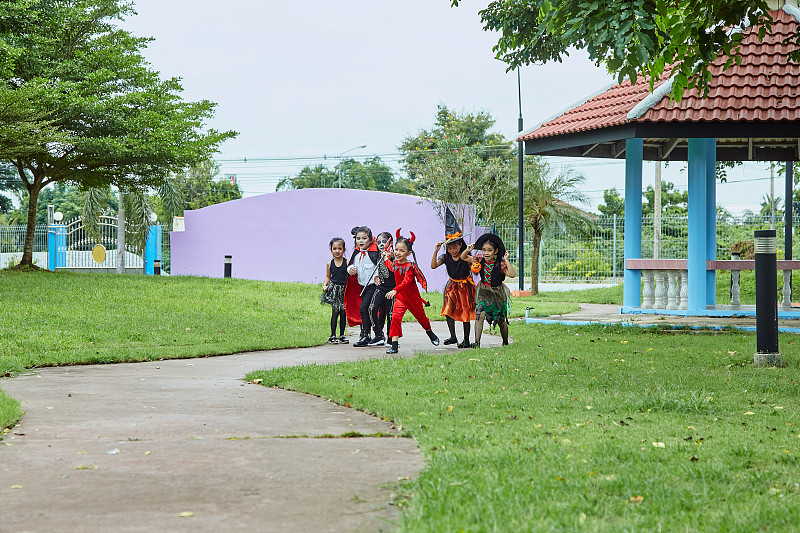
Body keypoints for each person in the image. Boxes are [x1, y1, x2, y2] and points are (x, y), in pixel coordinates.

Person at [384, 229, 440, 354]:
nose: (398, 253)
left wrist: (394, 290)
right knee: (395, 318)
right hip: (400, 298)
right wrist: (385, 258)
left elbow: (406, 282)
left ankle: (429, 332)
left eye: (402, 251)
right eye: (396, 250)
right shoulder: (395, 263)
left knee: (422, 318)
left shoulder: (409, 266)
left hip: (412, 297)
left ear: (408, 253)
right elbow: (391, 266)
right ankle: (394, 345)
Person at [460, 232, 516, 347]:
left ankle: (505, 342)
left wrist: (506, 260)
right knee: (479, 314)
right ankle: (477, 342)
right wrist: (467, 249)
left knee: (500, 319)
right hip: (483, 291)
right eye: (484, 250)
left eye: (489, 250)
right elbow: (463, 257)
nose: (486, 253)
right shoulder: (480, 260)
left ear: (495, 251)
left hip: (497, 293)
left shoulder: (500, 264)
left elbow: (512, 274)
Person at [430, 207, 475, 348]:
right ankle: (453, 336)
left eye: (454, 248)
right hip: (452, 286)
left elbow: (474, 262)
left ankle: (467, 340)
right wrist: (436, 251)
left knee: (465, 314)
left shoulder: (465, 256)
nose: (452, 251)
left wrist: (469, 254)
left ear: (460, 245)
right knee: (448, 310)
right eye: (449, 248)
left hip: (465, 287)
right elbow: (433, 266)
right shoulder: (446, 257)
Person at [344, 226, 381, 347]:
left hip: (373, 286)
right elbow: (350, 265)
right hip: (362, 286)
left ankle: (370, 335)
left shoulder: (375, 253)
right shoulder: (356, 252)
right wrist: (351, 270)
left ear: (370, 240)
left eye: (364, 238)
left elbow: (381, 268)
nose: (361, 241)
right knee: (366, 310)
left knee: (364, 308)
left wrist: (377, 276)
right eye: (358, 238)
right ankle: (369, 335)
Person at [367, 232, 395, 346]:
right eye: (379, 242)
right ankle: (378, 335)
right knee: (372, 309)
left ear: (391, 243)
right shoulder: (378, 255)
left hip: (392, 289)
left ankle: (391, 337)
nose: (381, 244)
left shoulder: (395, 256)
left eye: (384, 241)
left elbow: (395, 270)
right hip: (381, 287)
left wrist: (389, 257)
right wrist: (376, 276)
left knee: (390, 314)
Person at [320, 237, 349, 344]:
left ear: (344, 250)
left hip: (343, 290)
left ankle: (342, 335)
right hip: (334, 290)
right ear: (331, 250)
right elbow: (328, 276)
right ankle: (332, 335)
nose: (337, 251)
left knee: (343, 312)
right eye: (334, 249)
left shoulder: (347, 262)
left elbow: (350, 276)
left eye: (340, 249)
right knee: (335, 311)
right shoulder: (329, 263)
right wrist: (325, 285)